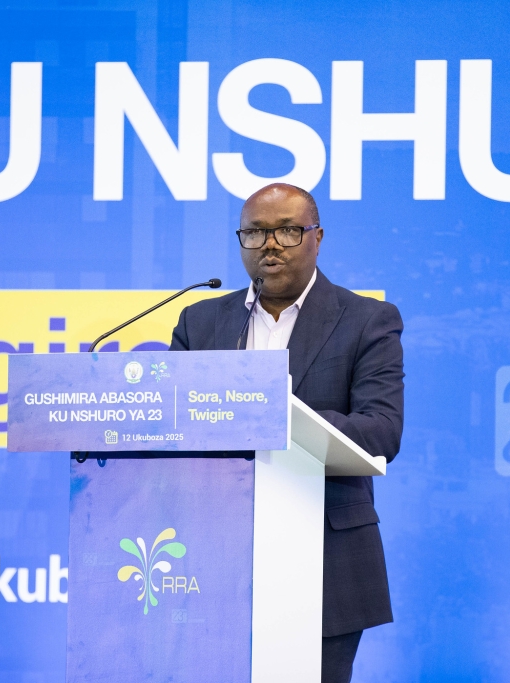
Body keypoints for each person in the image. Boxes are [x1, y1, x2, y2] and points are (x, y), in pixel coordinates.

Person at [169, 183, 404, 683]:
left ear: (317, 237)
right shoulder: (200, 321)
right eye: (254, 232)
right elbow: (175, 427)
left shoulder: (366, 320)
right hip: (213, 555)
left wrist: (271, 414)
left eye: (286, 231)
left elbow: (382, 431)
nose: (269, 244)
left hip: (325, 559)